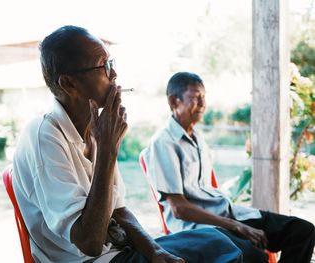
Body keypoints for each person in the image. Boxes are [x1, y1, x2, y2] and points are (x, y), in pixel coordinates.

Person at [12, 26, 244, 263]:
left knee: (219, 241)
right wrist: (107, 151)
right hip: (93, 260)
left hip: (119, 251)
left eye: (111, 63)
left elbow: (119, 210)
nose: (114, 75)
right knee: (223, 254)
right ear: (69, 84)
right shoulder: (44, 136)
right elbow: (89, 242)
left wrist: (155, 251)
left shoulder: (94, 130)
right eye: (104, 66)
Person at [144, 71, 315, 263]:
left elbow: (205, 190)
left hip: (226, 214)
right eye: (195, 98)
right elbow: (179, 209)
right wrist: (236, 226)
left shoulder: (197, 137)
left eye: (204, 97)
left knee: (302, 232)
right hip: (198, 228)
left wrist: (236, 222)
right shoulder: (164, 142)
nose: (202, 104)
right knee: (255, 257)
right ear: (173, 101)